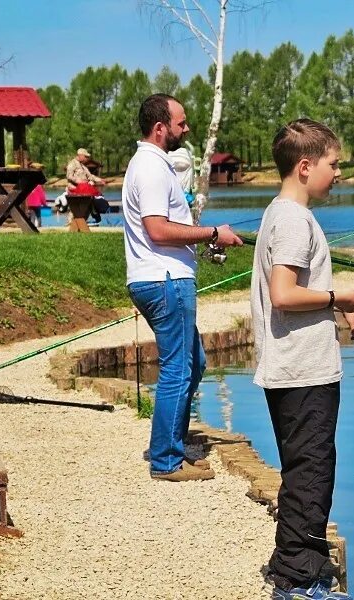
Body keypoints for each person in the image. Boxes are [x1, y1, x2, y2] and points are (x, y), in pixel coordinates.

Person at [251, 119, 354, 600]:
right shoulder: (296, 219)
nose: (338, 173)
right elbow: (284, 294)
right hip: (302, 371)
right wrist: (342, 297)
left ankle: (299, 567)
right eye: (333, 163)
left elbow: (295, 292)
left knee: (307, 468)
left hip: (293, 366)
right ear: (305, 166)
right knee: (311, 471)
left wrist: (341, 311)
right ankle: (298, 581)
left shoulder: (279, 212)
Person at [122, 93, 243, 482]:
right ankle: (166, 461)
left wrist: (203, 241)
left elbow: (161, 229)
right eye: (181, 122)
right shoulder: (153, 169)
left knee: (197, 364)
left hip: (161, 276)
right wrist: (212, 232)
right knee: (178, 368)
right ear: (160, 128)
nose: (186, 128)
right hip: (165, 281)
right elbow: (157, 229)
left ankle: (173, 443)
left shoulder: (150, 165)